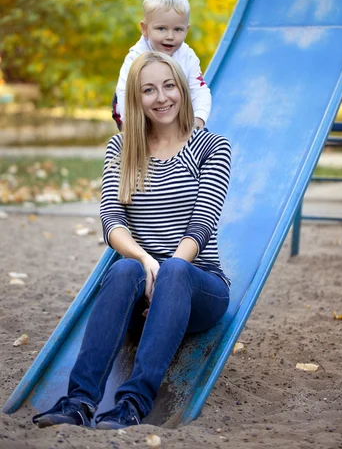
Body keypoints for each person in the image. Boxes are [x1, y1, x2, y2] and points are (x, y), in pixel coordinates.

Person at [33, 51, 231, 430]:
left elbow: (203, 225)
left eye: (170, 86)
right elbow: (112, 221)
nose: (162, 97)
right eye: (149, 90)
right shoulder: (121, 148)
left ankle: (131, 405)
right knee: (123, 270)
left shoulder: (212, 146)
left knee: (174, 269)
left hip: (199, 286)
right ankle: (78, 402)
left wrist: (169, 271)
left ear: (183, 90)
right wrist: (146, 262)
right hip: (143, 280)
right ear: (135, 99)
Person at [112, 0, 211, 131]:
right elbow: (124, 93)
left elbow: (199, 90)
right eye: (161, 29)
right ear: (145, 29)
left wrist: (199, 118)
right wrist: (131, 126)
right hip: (139, 111)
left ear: (186, 30)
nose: (170, 36)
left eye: (178, 29)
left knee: (197, 135)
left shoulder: (187, 56)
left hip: (172, 108)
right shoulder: (135, 57)